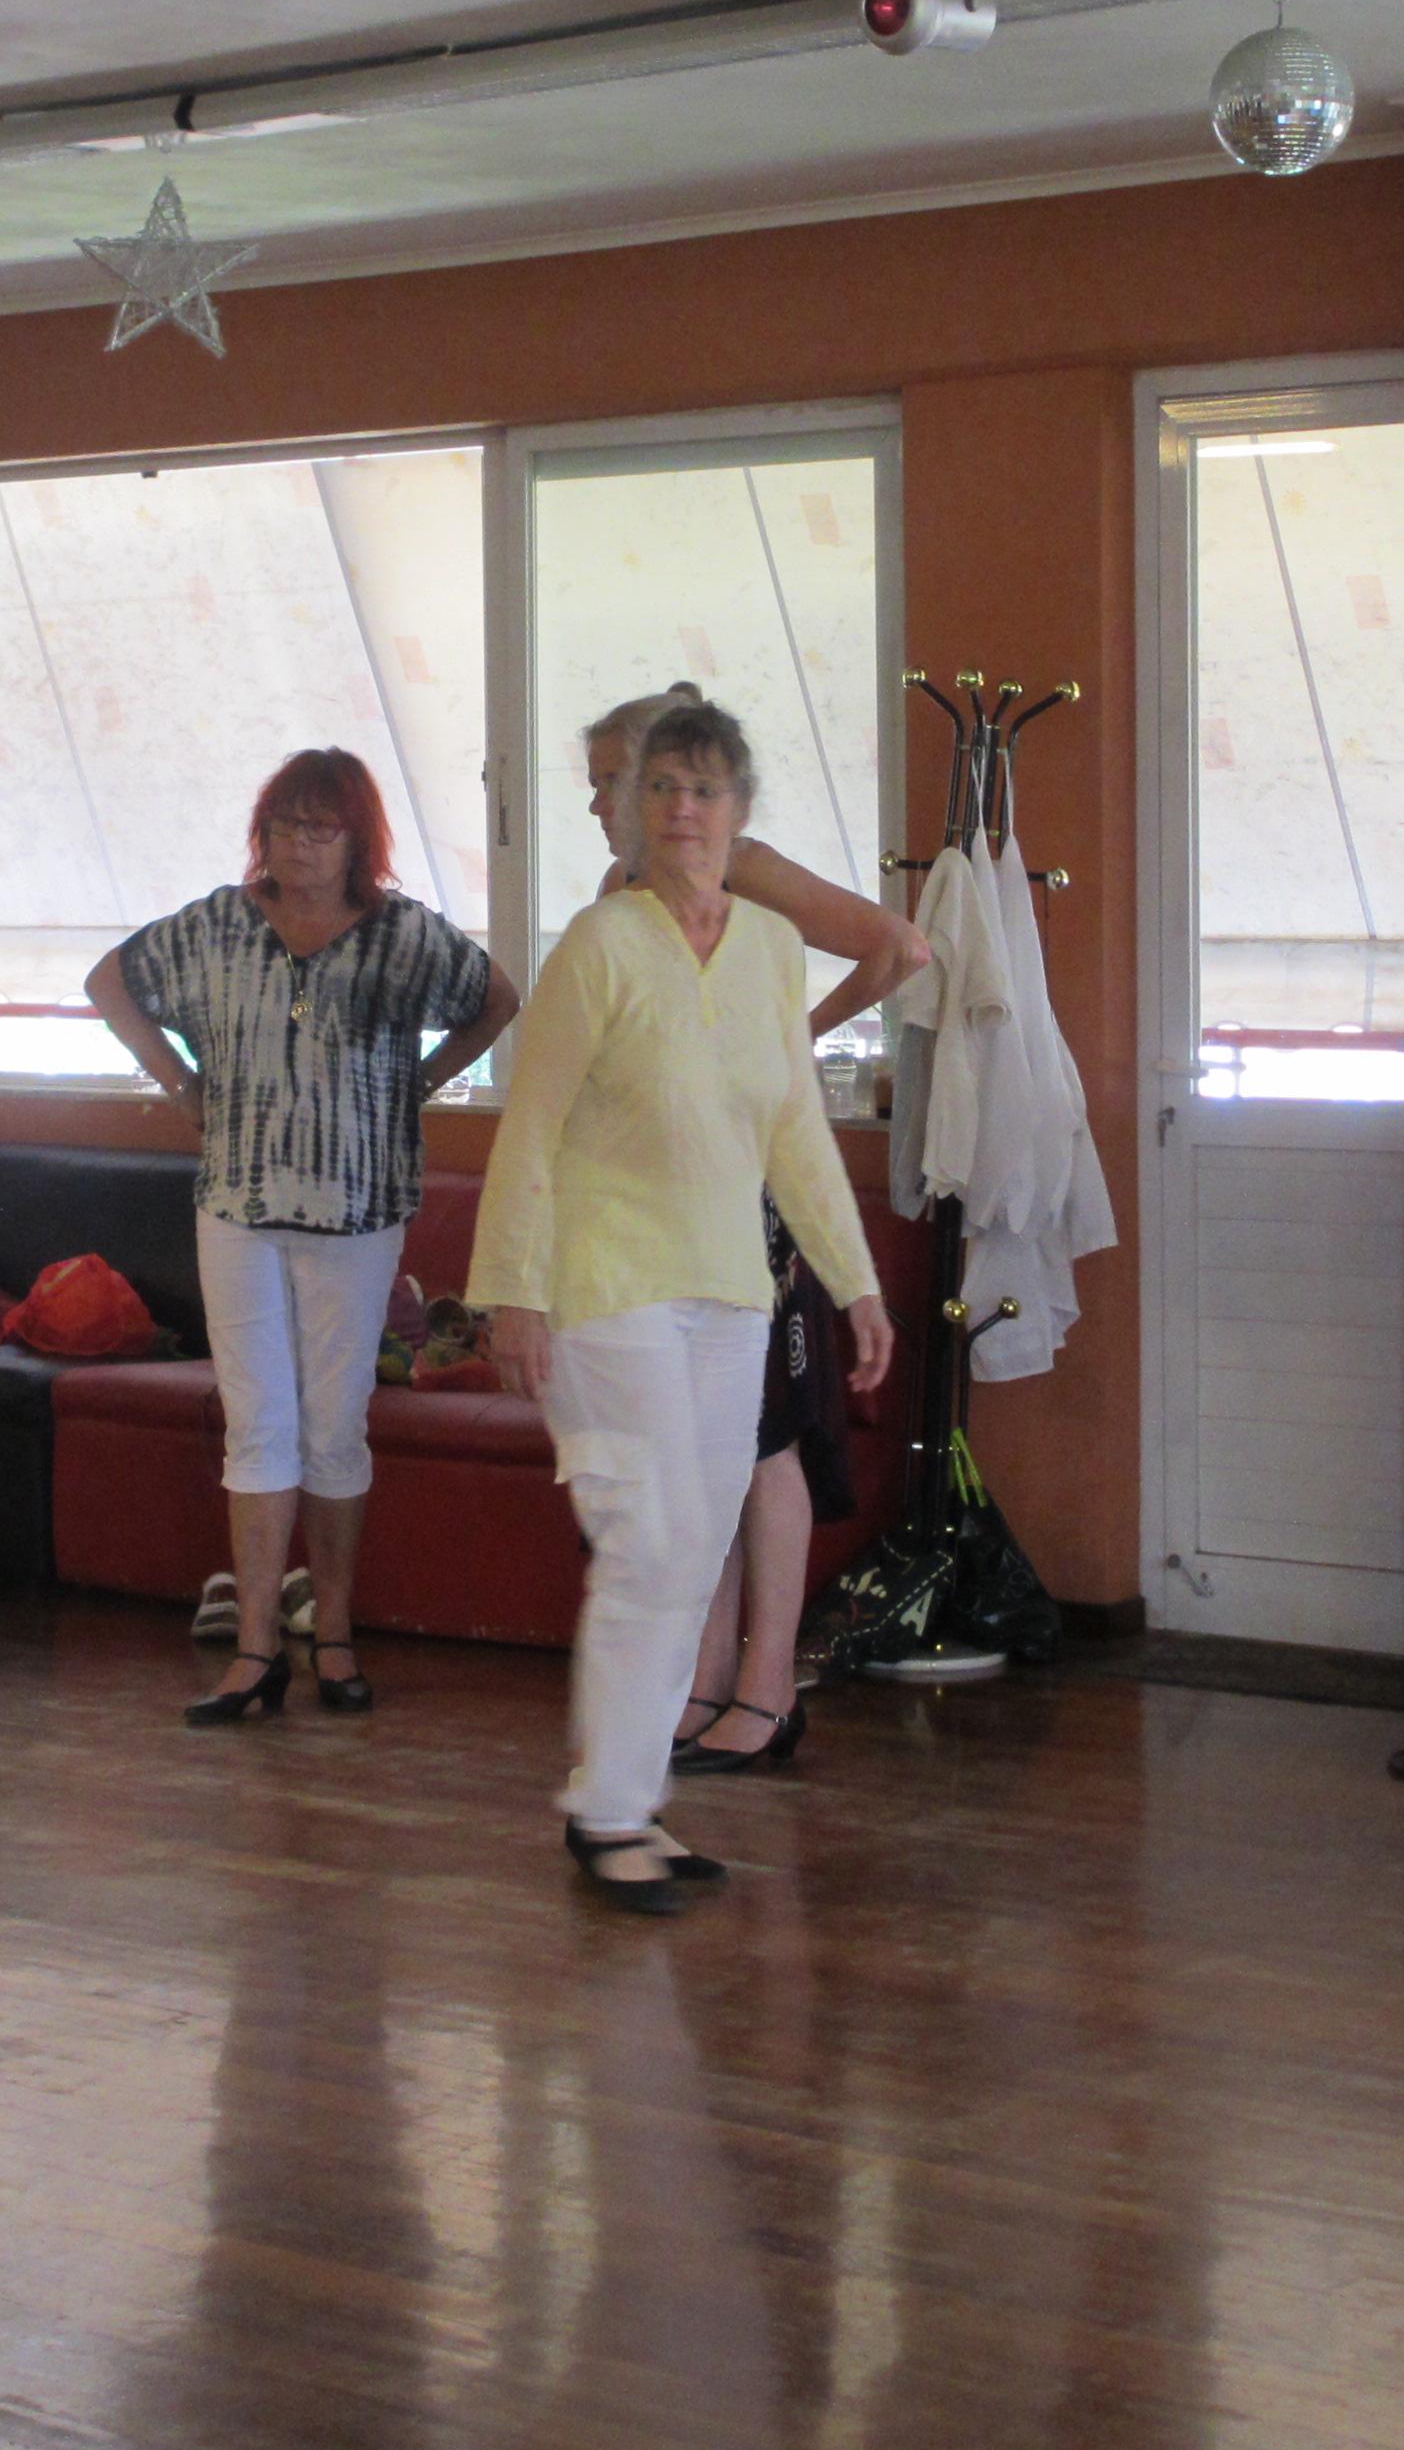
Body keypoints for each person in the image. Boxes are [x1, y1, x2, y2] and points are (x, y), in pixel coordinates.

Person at [475, 696, 893, 1909]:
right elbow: (531, 1126)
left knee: (696, 1542)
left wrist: (856, 1281)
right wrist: (510, 1293)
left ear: (739, 811)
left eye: (705, 790)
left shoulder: (769, 947)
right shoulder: (599, 945)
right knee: (648, 1542)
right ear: (630, 807)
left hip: (729, 1293)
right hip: (607, 1287)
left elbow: (794, 1132)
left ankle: (627, 1800)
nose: (682, 810)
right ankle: (609, 1811)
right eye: (659, 788)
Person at [89, 749, 518, 1723]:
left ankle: (332, 1634)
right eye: (285, 825)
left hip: (358, 1214)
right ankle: (254, 1651)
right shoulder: (217, 924)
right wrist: (181, 1082)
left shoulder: (403, 935)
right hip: (237, 1209)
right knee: (258, 1426)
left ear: (357, 838)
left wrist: (421, 1081)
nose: (300, 845)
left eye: (321, 827)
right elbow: (110, 982)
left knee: (334, 1426)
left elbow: (498, 999)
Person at [581, 682, 929, 1774]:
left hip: (754, 1189)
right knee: (698, 1446)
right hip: (665, 1203)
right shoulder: (619, 895)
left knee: (765, 1436)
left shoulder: (748, 868)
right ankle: (705, 1677)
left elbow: (898, 947)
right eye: (602, 785)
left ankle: (769, 1686)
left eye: (612, 780)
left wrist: (789, 1035)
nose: (599, 803)